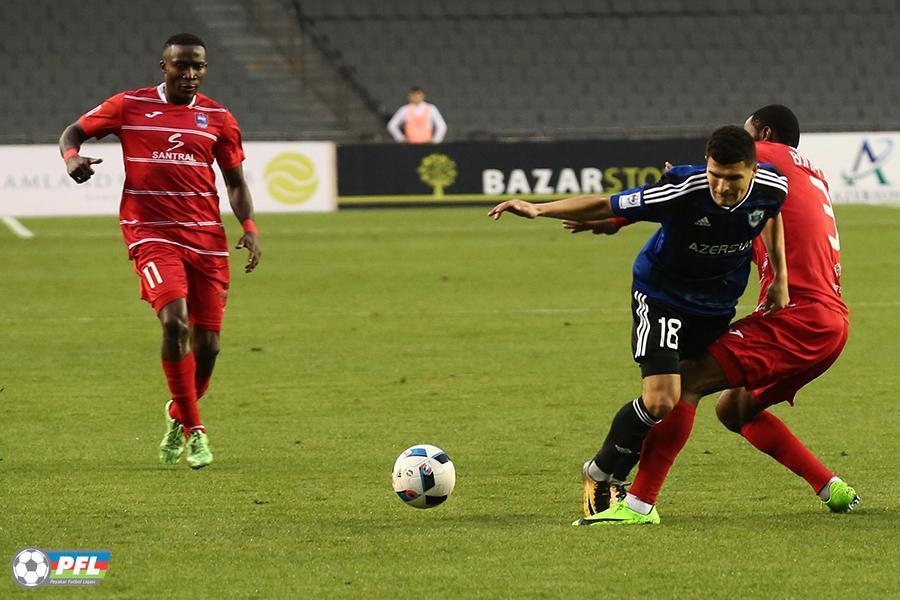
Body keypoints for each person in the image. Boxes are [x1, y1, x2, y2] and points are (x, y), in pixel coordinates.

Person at [488, 126, 790, 525]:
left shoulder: (773, 186)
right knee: (662, 398)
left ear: (753, 171)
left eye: (732, 178)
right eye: (714, 174)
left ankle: (616, 478)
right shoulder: (683, 189)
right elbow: (607, 202)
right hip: (662, 296)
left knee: (682, 394)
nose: (721, 186)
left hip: (716, 307)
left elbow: (770, 216)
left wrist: (780, 278)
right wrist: (539, 209)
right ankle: (602, 473)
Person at [572, 105, 858, 525]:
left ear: (763, 135)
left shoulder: (764, 158)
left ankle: (637, 505)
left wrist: (618, 217)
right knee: (734, 410)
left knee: (686, 381)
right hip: (828, 323)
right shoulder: (810, 174)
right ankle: (829, 486)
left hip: (798, 318)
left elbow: (698, 185)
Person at [58, 33, 261, 469]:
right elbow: (73, 131)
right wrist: (71, 156)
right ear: (163, 66)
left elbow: (236, 182)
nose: (189, 73)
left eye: (197, 66)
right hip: (150, 233)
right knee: (174, 322)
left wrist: (249, 226)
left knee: (209, 347)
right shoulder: (130, 106)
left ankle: (178, 412)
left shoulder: (219, 118)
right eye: (181, 65)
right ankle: (196, 430)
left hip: (206, 240)